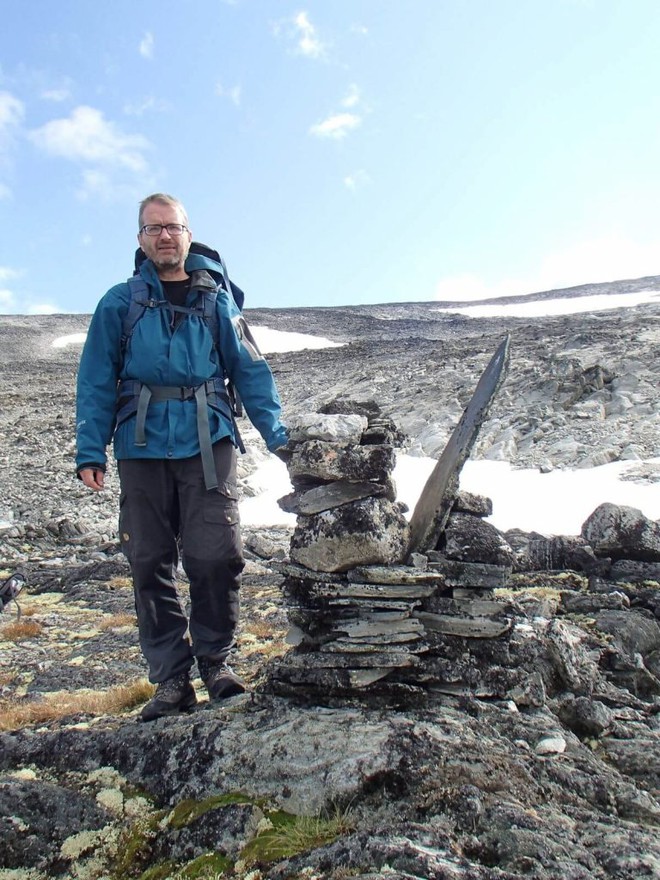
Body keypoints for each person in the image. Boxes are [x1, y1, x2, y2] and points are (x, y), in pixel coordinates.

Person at [76, 193, 288, 721]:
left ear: (188, 235)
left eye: (172, 227)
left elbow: (250, 370)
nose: (164, 236)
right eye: (153, 229)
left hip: (207, 440)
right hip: (140, 445)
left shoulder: (217, 300)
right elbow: (96, 378)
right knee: (148, 560)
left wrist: (279, 436)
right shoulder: (118, 302)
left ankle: (217, 663)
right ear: (140, 239)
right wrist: (90, 448)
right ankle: (171, 680)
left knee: (215, 554)